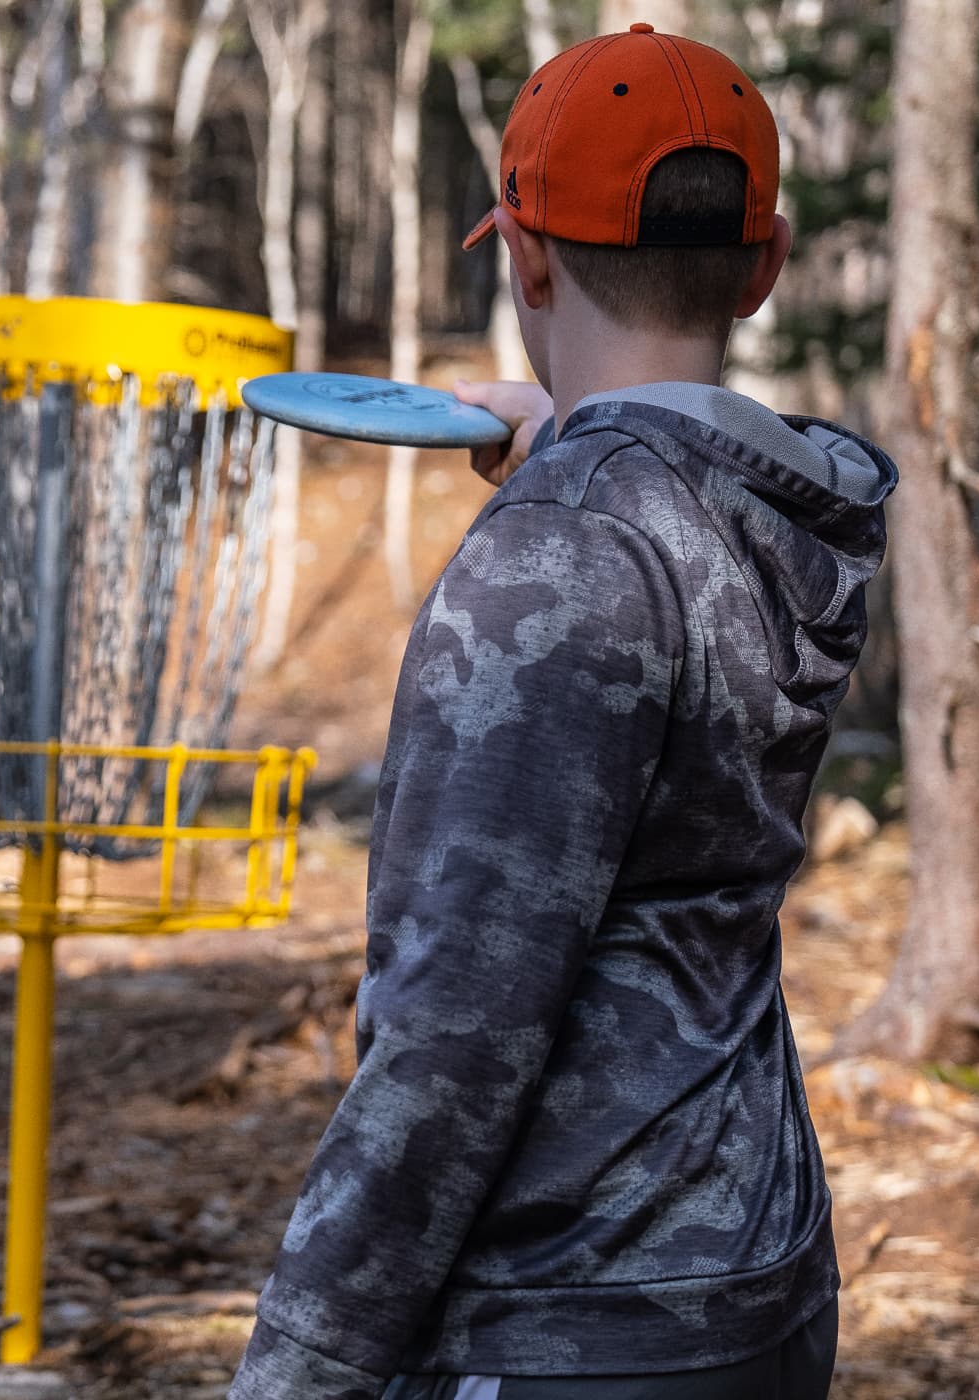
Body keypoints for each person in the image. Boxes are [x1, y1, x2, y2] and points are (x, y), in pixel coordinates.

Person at [228, 23, 898, 1400]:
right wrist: (582, 448)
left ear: (525, 258)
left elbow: (457, 1026)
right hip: (754, 1273)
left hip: (571, 1312)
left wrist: (302, 1364)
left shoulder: (566, 554)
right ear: (762, 271)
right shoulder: (796, 517)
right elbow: (679, 514)